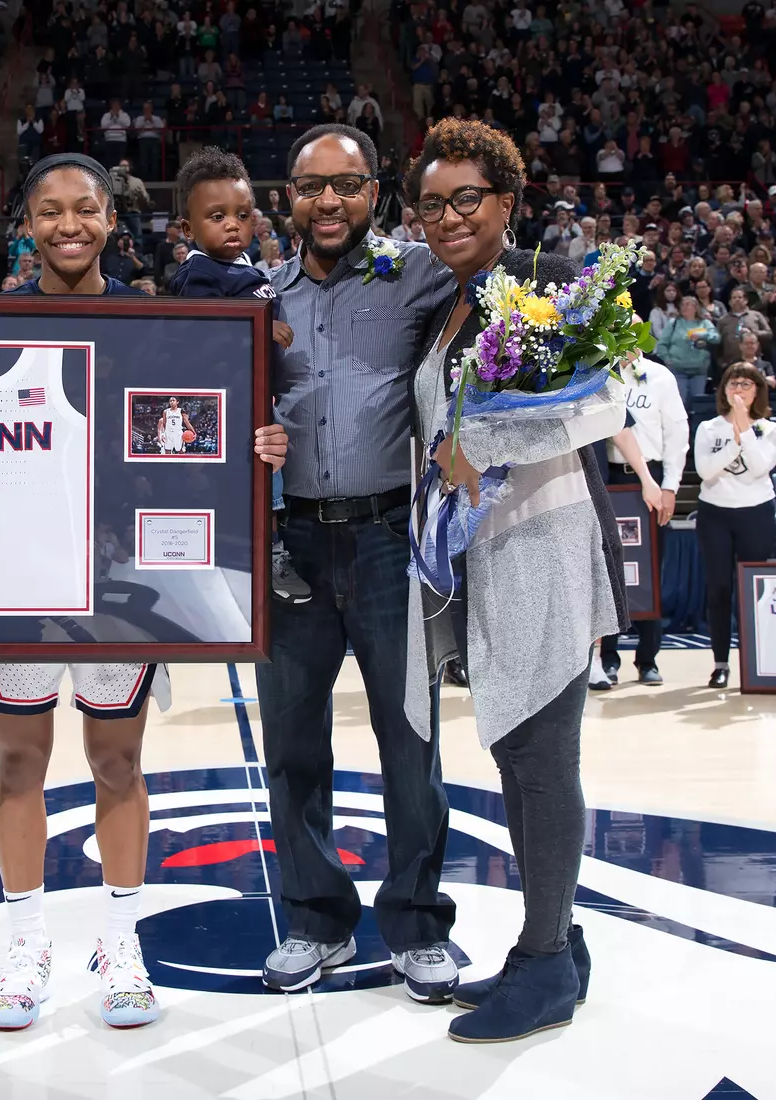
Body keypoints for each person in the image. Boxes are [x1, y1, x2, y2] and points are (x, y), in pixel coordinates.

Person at [0, 153, 214, 1034]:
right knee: (19, 763)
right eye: (51, 210)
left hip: (117, 578)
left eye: (87, 209)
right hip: (14, 577)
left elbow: (185, 433)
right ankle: (26, 944)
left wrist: (247, 449)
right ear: (25, 221)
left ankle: (120, 940)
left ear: (112, 219)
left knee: (117, 763)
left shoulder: (154, 319)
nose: (70, 224)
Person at [403, 117, 626, 1043]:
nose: (448, 216)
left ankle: (542, 968)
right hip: (481, 553)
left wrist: (478, 445)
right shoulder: (452, 303)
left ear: (507, 201)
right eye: (431, 203)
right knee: (517, 752)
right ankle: (558, 944)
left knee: (540, 760)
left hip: (539, 542)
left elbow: (606, 402)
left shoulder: (538, 291)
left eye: (467, 198)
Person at [256, 124, 460, 1005]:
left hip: (385, 538)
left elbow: (505, 286)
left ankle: (415, 925)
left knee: (409, 741)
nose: (327, 203)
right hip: (291, 543)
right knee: (293, 746)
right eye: (310, 188)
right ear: (287, 198)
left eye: (346, 186)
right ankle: (316, 920)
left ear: (377, 192)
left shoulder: (418, 275)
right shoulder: (262, 298)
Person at [165, 147, 308, 605]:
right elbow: (198, 331)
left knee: (269, 481)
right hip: (222, 403)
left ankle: (268, 552)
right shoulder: (198, 273)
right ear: (188, 229)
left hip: (254, 397)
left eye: (242, 214)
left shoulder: (244, 268)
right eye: (217, 216)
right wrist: (260, 324)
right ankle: (260, 557)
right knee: (256, 486)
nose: (233, 224)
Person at [596, 353, 687, 687]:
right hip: (609, 477)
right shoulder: (599, 371)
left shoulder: (660, 376)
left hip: (652, 478)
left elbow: (677, 433)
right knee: (608, 572)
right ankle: (608, 658)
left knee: (650, 572)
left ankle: (648, 659)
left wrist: (670, 486)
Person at [693, 366, 776, 688]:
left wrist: (743, 428)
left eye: (747, 383)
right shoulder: (708, 427)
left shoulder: (770, 429)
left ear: (758, 390)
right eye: (734, 382)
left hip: (756, 513)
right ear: (724, 389)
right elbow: (705, 470)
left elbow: (760, 466)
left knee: (754, 590)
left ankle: (758, 660)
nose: (740, 388)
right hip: (715, 513)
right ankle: (720, 663)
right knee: (719, 590)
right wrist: (734, 443)